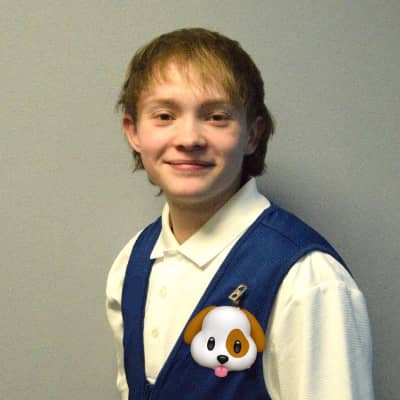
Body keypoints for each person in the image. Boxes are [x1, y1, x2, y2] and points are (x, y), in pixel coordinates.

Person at [106, 28, 374, 400]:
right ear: (133, 132)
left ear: (253, 134)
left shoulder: (306, 279)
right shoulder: (131, 264)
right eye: (164, 116)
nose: (189, 138)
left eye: (216, 117)